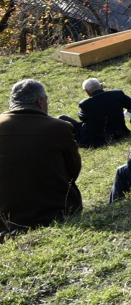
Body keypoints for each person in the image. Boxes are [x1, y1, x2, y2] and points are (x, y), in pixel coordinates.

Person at [1, 80, 82, 234]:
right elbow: (73, 171)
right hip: (56, 212)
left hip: (6, 218)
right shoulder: (60, 127)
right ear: (40, 101)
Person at [67, 78, 131, 149]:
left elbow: (82, 117)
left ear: (86, 91)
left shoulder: (86, 103)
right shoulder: (117, 94)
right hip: (120, 134)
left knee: (63, 118)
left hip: (98, 140)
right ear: (101, 86)